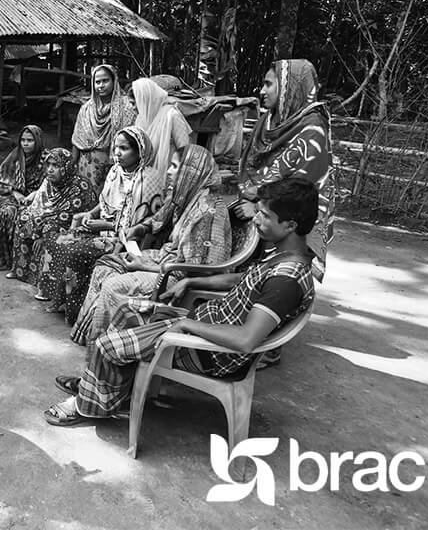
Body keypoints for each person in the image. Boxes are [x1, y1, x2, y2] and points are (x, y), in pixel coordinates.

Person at [45, 178, 318, 426]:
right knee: (125, 310)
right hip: (201, 324)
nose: (255, 219)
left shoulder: (285, 280)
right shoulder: (281, 255)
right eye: (257, 211)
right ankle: (101, 389)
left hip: (208, 353)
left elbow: (246, 340)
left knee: (107, 345)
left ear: (291, 225)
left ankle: (86, 405)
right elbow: (240, 279)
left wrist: (187, 324)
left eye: (265, 215)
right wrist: (191, 282)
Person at [69, 144, 231, 346]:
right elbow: (159, 218)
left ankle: (106, 346)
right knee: (105, 266)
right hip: (165, 259)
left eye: (174, 166)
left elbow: (198, 269)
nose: (169, 171)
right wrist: (139, 228)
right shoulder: (187, 194)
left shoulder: (208, 212)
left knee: (112, 285)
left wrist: (143, 266)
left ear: (190, 171)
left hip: (175, 275)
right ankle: (89, 335)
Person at [35, 126, 165, 322]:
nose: (117, 153)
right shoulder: (116, 171)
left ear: (140, 151)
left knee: (74, 252)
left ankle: (74, 310)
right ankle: (58, 297)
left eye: (124, 148)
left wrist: (103, 225)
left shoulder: (148, 179)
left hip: (126, 241)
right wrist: (91, 213)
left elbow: (137, 225)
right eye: (116, 148)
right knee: (58, 239)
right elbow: (104, 201)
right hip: (103, 229)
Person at [233, 58, 334, 283]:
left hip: (284, 221)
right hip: (257, 211)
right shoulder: (268, 120)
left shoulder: (312, 130)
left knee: (273, 281)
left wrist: (257, 209)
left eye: (269, 84)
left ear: (291, 88)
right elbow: (251, 165)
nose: (262, 91)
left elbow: (300, 190)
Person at [5, 148, 97, 285]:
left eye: (56, 165)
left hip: (74, 226)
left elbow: (66, 216)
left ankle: (45, 282)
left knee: (49, 229)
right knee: (23, 218)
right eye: (48, 165)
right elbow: (38, 206)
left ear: (66, 167)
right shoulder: (48, 182)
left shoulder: (80, 186)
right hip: (50, 218)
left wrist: (40, 232)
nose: (50, 170)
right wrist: (36, 226)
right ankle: (20, 270)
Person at [70, 64, 136, 196]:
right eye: (97, 82)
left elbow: (133, 139)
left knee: (112, 199)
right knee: (86, 198)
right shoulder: (86, 109)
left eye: (105, 81)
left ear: (114, 81)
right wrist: (72, 164)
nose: (101, 85)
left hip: (115, 164)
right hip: (87, 166)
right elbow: (77, 138)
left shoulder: (127, 107)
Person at [0, 124, 46, 271]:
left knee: (25, 216)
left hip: (40, 199)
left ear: (38, 141)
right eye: (23, 140)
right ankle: (4, 260)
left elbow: (52, 185)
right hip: (16, 196)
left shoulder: (46, 159)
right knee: (4, 213)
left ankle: (21, 262)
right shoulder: (15, 156)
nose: (25, 144)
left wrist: (35, 195)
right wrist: (14, 192)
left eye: (30, 140)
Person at [130, 77, 193, 189]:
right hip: (146, 179)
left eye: (134, 103)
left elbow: (184, 150)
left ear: (146, 100)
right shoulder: (140, 120)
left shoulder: (171, 115)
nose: (132, 108)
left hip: (168, 178)